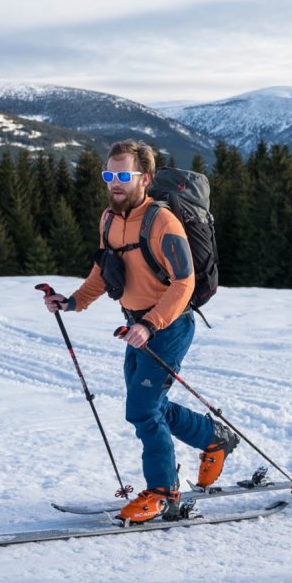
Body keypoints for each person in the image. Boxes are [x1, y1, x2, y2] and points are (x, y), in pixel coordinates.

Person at [42, 140, 238, 523]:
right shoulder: (109, 220)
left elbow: (184, 282)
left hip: (168, 325)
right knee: (151, 406)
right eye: (108, 175)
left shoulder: (163, 222)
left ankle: (165, 493)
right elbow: (104, 272)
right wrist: (73, 302)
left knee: (143, 409)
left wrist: (151, 324)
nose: (114, 183)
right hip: (136, 325)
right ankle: (214, 439)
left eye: (123, 176)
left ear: (144, 179)